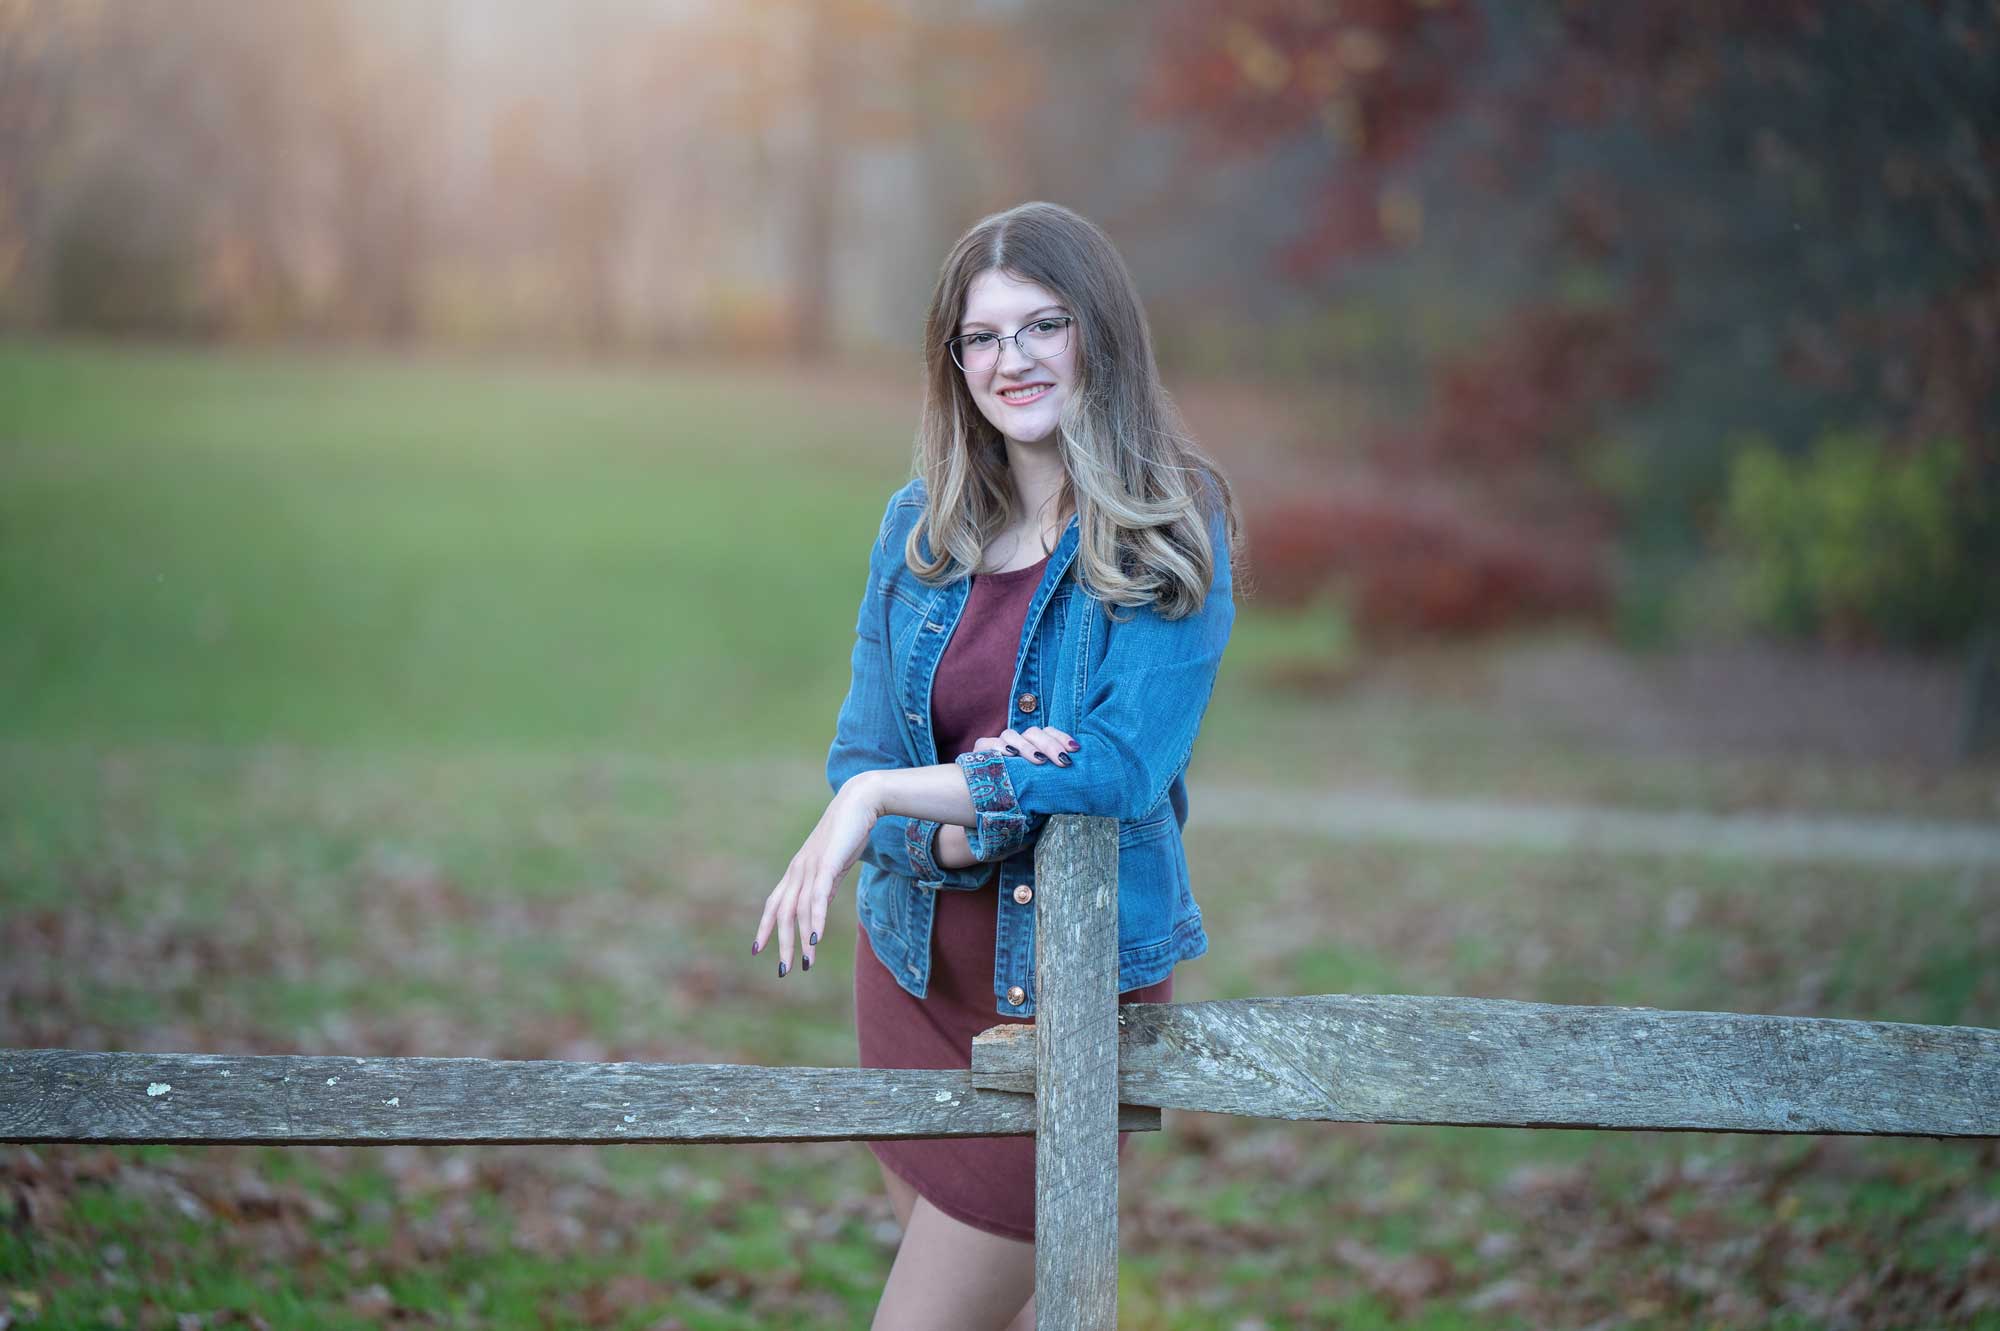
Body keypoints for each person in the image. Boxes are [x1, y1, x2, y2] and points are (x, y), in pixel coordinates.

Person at [750, 200, 1240, 1331]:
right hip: (913, 970)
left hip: (1073, 999)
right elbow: (860, 755)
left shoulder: (1169, 520)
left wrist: (891, 797)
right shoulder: (916, 530)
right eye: (981, 336)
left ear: (1097, 336)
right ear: (952, 359)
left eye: (1041, 325)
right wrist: (965, 810)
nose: (1010, 359)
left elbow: (1118, 766)